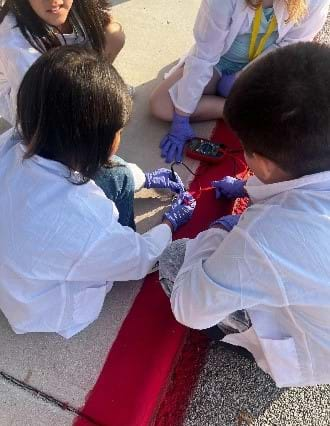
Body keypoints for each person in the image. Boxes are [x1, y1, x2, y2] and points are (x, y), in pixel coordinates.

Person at [159, 41, 330, 387]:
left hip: (313, 351)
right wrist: (254, 187)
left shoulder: (264, 235)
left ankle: (256, 347)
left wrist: (220, 234)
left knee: (176, 259)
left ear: (263, 163)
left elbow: (189, 309)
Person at [0, 45, 196, 338]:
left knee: (117, 173)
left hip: (20, 275)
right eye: (117, 131)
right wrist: (170, 222)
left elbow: (100, 165)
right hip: (50, 307)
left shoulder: (11, 143)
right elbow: (140, 258)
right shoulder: (83, 220)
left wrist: (142, 178)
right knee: (116, 175)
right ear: (90, 143)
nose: (118, 137)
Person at [150, 0, 330, 163]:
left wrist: (244, 76)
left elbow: (292, 45)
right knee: (161, 106)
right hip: (219, 62)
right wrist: (181, 117)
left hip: (269, 67)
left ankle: (233, 106)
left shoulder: (315, 1)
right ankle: (229, 109)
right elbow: (204, 57)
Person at [0, 0, 126, 125]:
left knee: (113, 35)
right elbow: (35, 103)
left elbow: (106, 20)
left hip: (68, 66)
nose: (53, 1)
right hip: (31, 94)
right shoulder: (14, 43)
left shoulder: (82, 4)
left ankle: (90, 93)